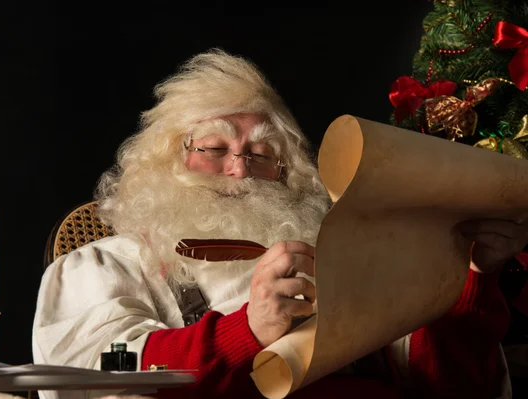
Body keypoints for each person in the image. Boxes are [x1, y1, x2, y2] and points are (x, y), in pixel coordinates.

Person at [33, 48, 525, 399]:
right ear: (165, 161)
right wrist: (246, 330)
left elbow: (449, 387)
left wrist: (471, 282)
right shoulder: (105, 264)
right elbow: (100, 375)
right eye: (214, 148)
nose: (240, 169)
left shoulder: (344, 256)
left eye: (261, 153)